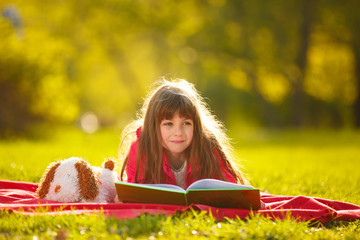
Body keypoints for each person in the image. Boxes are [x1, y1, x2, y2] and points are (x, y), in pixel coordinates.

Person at [119, 78, 248, 189]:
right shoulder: (141, 150)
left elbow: (229, 186)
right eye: (168, 124)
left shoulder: (207, 146)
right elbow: (135, 192)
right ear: (153, 127)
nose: (178, 133)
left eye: (186, 123)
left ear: (196, 125)